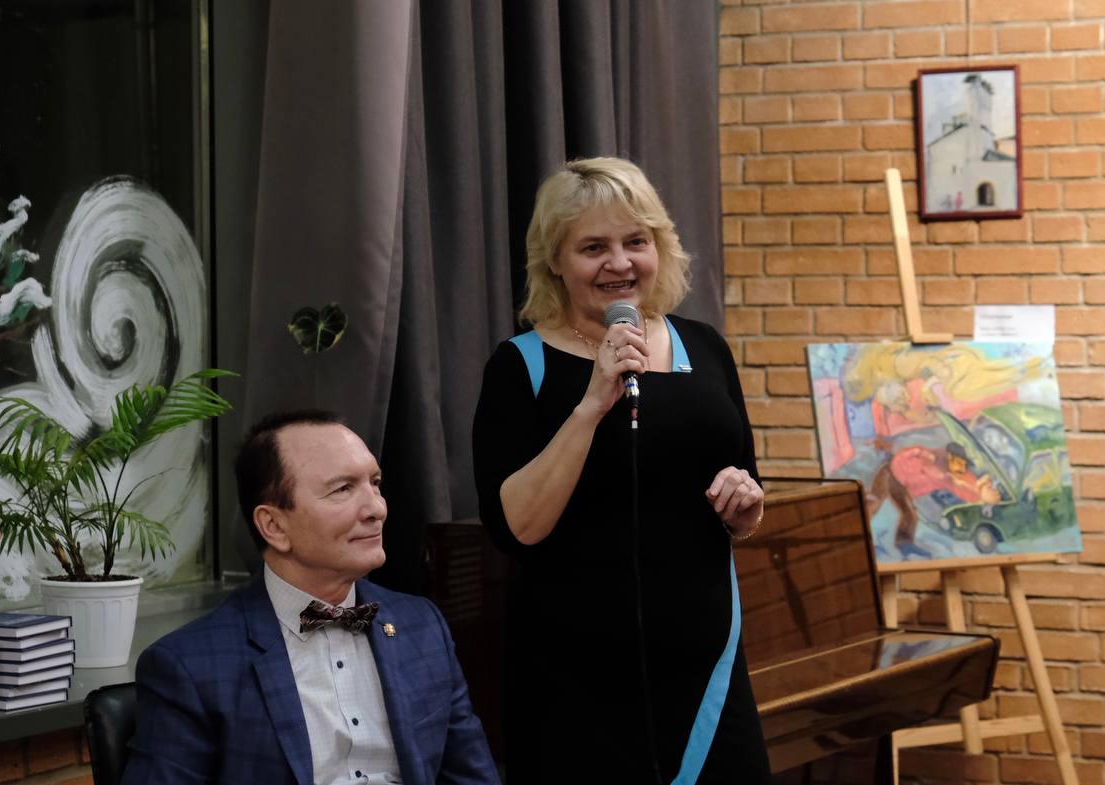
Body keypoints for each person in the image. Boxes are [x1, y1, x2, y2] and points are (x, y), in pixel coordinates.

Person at [472, 157, 771, 785]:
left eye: (636, 241)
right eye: (593, 248)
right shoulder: (519, 366)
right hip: (577, 685)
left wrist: (744, 509)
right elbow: (517, 527)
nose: (620, 263)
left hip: (707, 672)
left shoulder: (706, 347)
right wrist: (592, 402)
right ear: (555, 260)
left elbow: (743, 490)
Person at [122, 410, 499, 785]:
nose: (377, 509)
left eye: (375, 483)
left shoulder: (422, 625)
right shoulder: (190, 666)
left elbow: (473, 777)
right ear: (274, 526)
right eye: (343, 489)